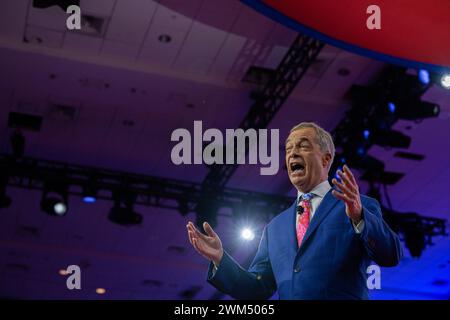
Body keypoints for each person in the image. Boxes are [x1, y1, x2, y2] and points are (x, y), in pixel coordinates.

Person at [186, 122, 403, 299]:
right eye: (289, 148)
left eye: (303, 146)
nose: (293, 154)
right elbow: (256, 289)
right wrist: (220, 259)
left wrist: (358, 216)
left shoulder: (357, 206)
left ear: (326, 158)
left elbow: (391, 255)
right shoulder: (275, 228)